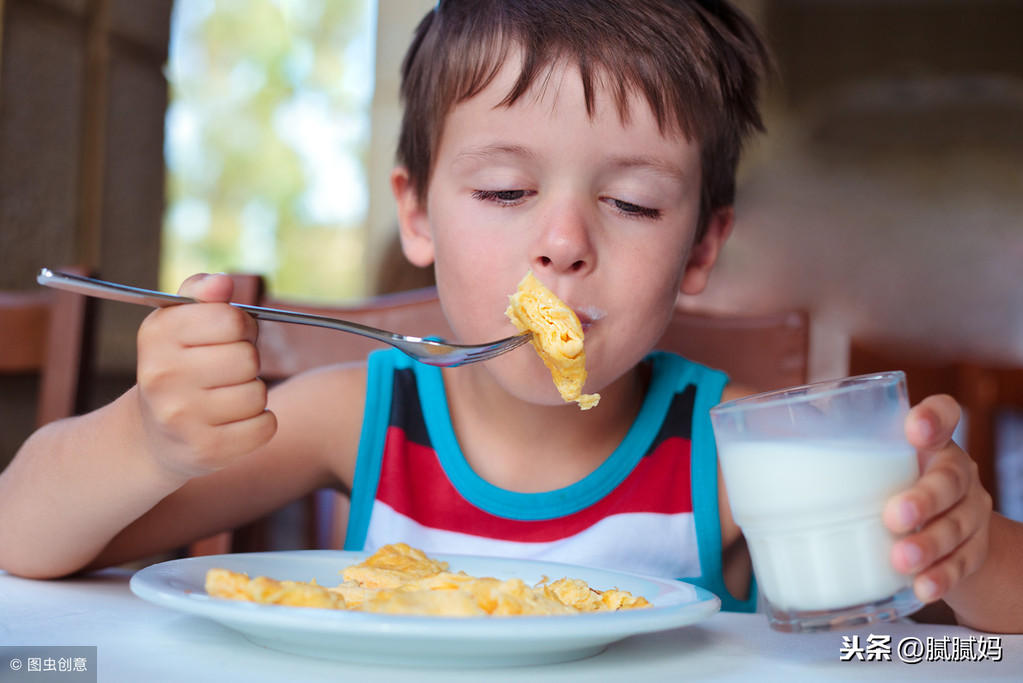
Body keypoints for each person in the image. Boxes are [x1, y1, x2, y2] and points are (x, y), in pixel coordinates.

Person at [0, 0, 1020, 631]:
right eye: (503, 192)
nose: (563, 242)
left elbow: (966, 625)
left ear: (701, 249)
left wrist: (963, 551)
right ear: (417, 213)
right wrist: (147, 435)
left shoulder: (735, 448)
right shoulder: (353, 415)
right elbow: (21, 537)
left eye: (630, 203)